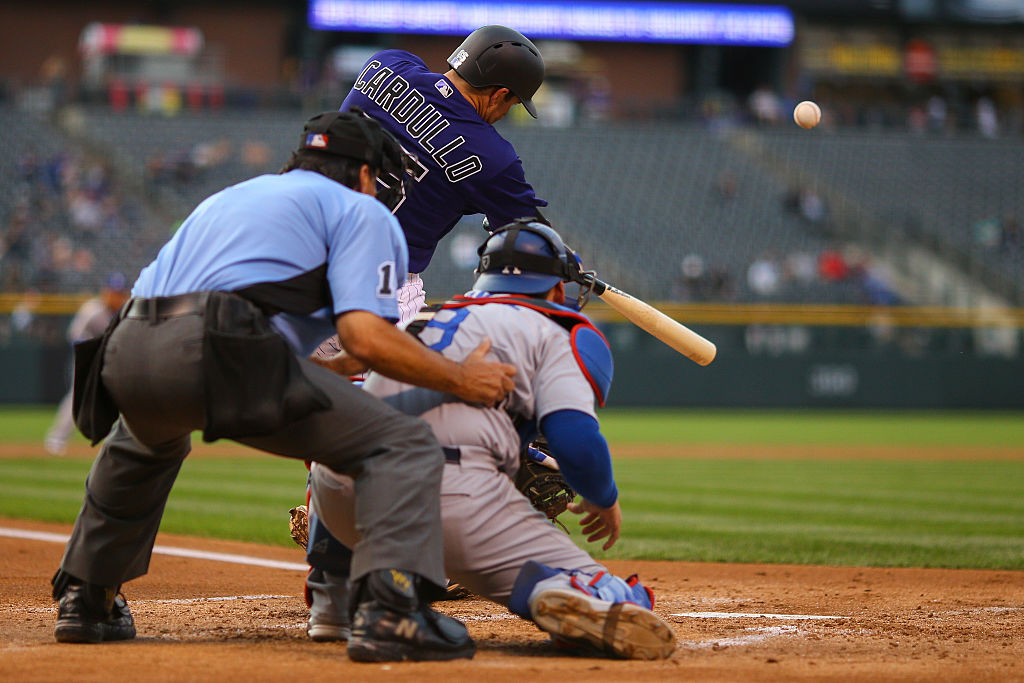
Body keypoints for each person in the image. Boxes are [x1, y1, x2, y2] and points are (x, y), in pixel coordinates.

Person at [49, 110, 517, 663]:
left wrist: (330, 370)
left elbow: (210, 314)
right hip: (222, 346)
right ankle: (389, 613)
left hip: (125, 349)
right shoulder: (360, 210)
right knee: (401, 444)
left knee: (146, 443)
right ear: (366, 175)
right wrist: (461, 377)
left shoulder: (232, 198)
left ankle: (86, 598)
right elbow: (365, 337)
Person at [303, 220, 677, 660]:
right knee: (621, 600)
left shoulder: (424, 317)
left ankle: (334, 600)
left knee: (351, 448)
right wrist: (603, 497)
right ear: (557, 290)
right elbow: (575, 438)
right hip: (442, 496)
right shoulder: (557, 329)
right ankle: (562, 589)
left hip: (334, 491)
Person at [315, 24, 548, 364]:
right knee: (398, 410)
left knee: (279, 396)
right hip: (380, 286)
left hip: (304, 256)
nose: (504, 113)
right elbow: (528, 235)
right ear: (499, 94)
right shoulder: (493, 158)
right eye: (511, 103)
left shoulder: (384, 65)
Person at [44, 272, 130, 455]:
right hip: (87, 359)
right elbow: (74, 336)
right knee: (77, 396)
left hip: (111, 359)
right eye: (113, 291)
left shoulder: (125, 311)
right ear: (106, 292)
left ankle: (116, 439)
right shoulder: (92, 310)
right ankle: (57, 437)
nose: (116, 295)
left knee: (120, 395)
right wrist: (92, 353)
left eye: (120, 292)